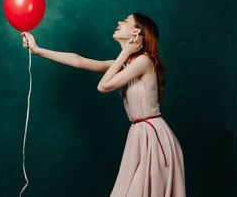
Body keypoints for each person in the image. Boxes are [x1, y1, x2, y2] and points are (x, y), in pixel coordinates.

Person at [20, 13, 186, 196]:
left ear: (136, 31)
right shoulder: (124, 64)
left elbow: (103, 86)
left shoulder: (144, 61)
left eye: (126, 21)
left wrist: (124, 53)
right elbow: (79, 61)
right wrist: (37, 50)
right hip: (139, 135)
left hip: (154, 138)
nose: (118, 22)